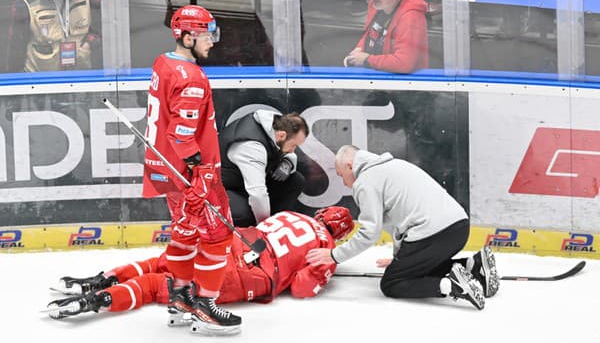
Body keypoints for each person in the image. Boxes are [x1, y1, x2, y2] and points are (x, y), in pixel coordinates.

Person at [45, 208, 354, 325]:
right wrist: (322, 275)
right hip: (250, 273)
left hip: (235, 243)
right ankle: (94, 302)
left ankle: (98, 280)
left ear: (322, 213)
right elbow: (301, 288)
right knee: (157, 287)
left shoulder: (292, 213)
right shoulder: (325, 246)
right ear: (338, 234)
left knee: (163, 263)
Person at [140, 4, 241, 335]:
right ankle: (205, 306)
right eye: (206, 35)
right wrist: (200, 169)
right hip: (191, 175)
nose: (212, 41)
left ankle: (180, 298)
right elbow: (181, 133)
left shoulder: (163, 62)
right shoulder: (193, 78)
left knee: (184, 232)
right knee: (218, 236)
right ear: (186, 36)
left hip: (164, 169)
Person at [306, 145, 500, 310]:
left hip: (434, 233)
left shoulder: (365, 182)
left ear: (350, 166)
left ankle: (453, 286)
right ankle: (473, 266)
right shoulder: (394, 165)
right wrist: (400, 259)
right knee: (412, 270)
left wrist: (333, 255)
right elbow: (401, 221)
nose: (345, 184)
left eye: (342, 176)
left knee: (392, 283)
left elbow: (369, 233)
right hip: (459, 228)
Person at [219, 111, 309, 227]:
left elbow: (283, 150)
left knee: (295, 181)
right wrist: (266, 228)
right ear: (281, 135)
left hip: (244, 183)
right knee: (245, 213)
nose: (293, 150)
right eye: (294, 145)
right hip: (225, 189)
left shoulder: (274, 125)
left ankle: (280, 225)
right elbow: (258, 194)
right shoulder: (252, 147)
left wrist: (288, 162)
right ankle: (255, 235)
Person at [6, 0, 101, 73]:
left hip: (82, 78)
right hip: (40, 82)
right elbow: (14, 56)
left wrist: (89, 43)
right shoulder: (26, 3)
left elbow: (106, 25)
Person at [343, 0, 428, 74]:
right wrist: (358, 51)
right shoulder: (379, 2)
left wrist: (366, 60)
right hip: (375, 73)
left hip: (401, 83)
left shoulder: (411, 16)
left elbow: (404, 63)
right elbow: (371, 32)